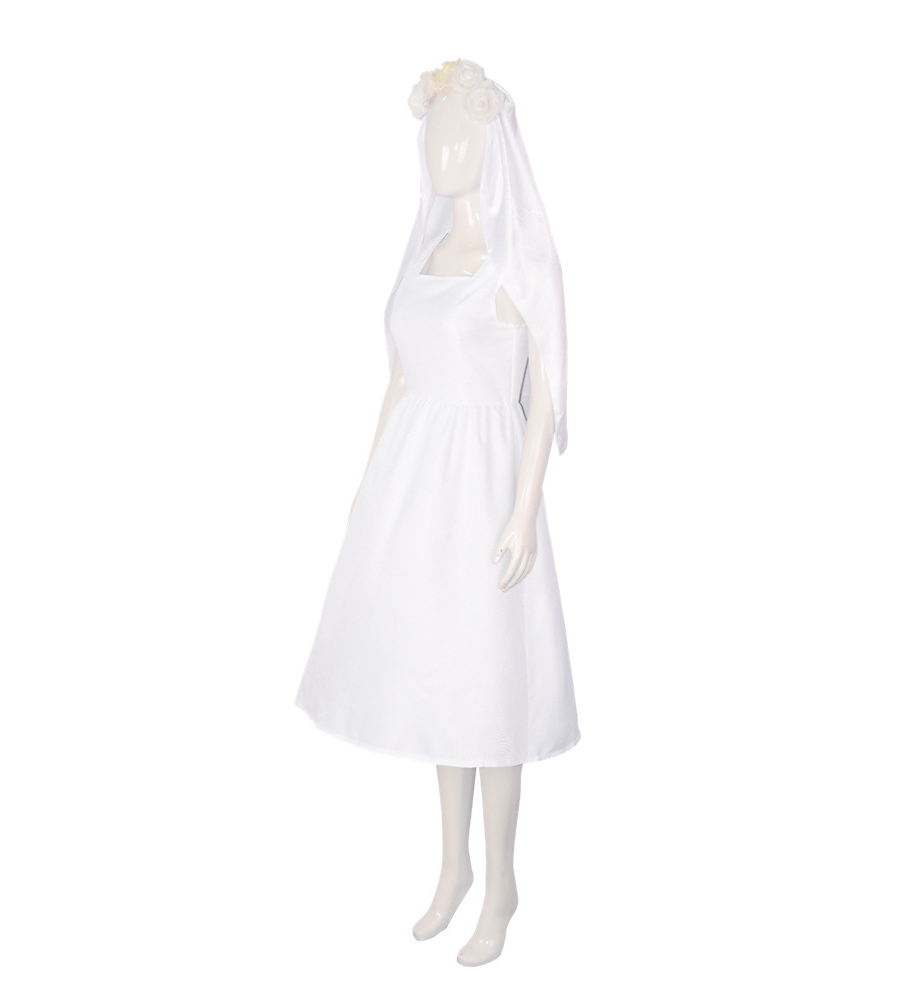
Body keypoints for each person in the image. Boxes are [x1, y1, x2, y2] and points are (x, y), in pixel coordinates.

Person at [296, 59, 580, 967]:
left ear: (492, 140)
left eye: (460, 132)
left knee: (489, 682)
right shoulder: (423, 256)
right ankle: (452, 869)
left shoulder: (521, 260)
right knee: (444, 678)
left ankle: (501, 886)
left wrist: (525, 507)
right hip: (416, 492)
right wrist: (367, 478)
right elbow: (400, 378)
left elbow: (546, 393)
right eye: (434, 133)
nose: (442, 149)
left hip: (484, 488)